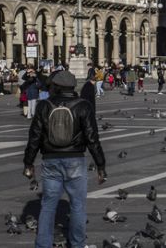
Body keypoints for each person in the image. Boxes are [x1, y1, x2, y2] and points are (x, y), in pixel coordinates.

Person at [24, 69, 107, 248]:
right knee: (77, 206)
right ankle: (77, 244)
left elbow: (34, 137)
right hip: (76, 160)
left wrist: (28, 163)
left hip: (50, 160)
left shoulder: (44, 105)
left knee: (47, 206)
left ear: (56, 86)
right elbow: (92, 139)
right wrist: (100, 165)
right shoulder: (83, 105)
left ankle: (43, 244)